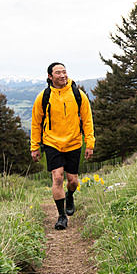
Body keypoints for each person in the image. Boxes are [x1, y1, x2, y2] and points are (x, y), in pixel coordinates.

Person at [30, 62, 95, 230]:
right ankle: (61, 216)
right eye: (58, 73)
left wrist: (90, 143)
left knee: (72, 181)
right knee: (58, 178)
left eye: (64, 72)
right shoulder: (43, 97)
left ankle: (70, 195)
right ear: (50, 77)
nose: (62, 75)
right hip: (51, 143)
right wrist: (34, 146)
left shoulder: (77, 94)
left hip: (74, 142)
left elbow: (87, 120)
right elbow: (36, 123)